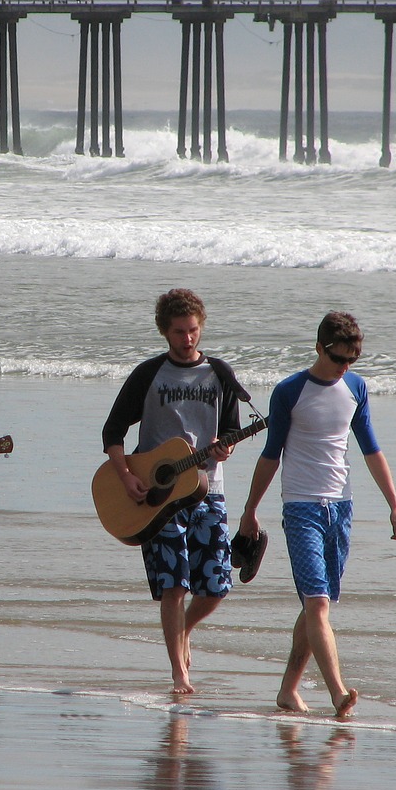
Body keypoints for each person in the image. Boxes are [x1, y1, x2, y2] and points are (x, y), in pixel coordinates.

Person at [238, 311, 396, 718]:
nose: (344, 367)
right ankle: (337, 692)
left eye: (352, 360)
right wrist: (249, 511)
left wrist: (394, 504)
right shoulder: (289, 391)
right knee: (317, 605)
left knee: (320, 605)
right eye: (339, 359)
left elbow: (371, 449)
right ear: (319, 348)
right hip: (300, 507)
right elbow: (270, 454)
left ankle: (287, 691)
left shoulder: (356, 387)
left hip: (341, 509)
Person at [102, 289, 252, 694]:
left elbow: (233, 432)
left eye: (193, 330)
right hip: (157, 496)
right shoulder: (148, 375)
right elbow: (112, 433)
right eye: (180, 332)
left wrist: (228, 446)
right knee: (175, 585)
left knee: (217, 585)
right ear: (165, 332)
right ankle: (179, 672)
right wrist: (126, 477)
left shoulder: (220, 373)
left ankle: (183, 631)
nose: (188, 339)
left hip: (209, 490)